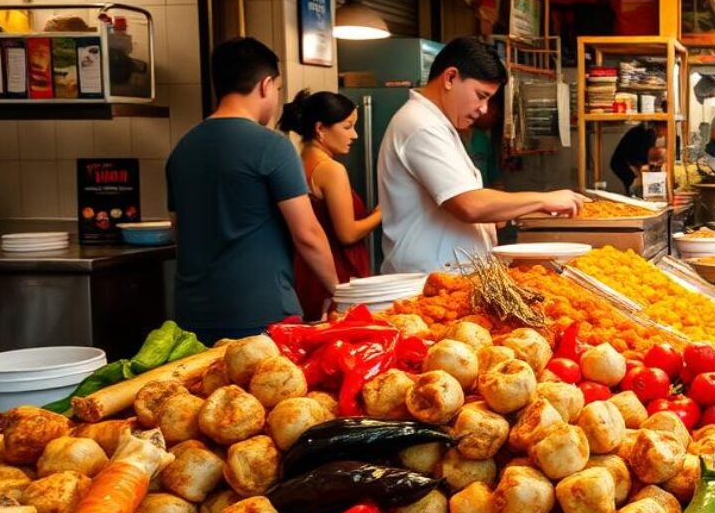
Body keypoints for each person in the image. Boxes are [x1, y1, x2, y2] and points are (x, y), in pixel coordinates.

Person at [166, 37, 337, 343]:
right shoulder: (272, 147)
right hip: (262, 315)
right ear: (265, 85)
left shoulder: (183, 149)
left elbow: (179, 231)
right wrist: (335, 289)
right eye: (278, 89)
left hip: (192, 317)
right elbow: (307, 234)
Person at [379, 36, 587, 274]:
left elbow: (470, 202)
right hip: (432, 279)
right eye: (481, 95)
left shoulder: (438, 124)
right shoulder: (421, 125)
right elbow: (469, 205)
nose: (484, 109)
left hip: (452, 276)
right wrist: (544, 200)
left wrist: (502, 212)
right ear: (450, 78)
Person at [279, 90, 382, 323]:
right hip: (337, 272)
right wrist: (381, 213)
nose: (354, 135)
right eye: (347, 127)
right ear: (320, 129)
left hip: (306, 272)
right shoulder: (331, 170)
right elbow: (347, 233)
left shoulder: (298, 162)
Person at [610, 122, 658, 195]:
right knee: (633, 184)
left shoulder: (646, 131)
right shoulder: (648, 133)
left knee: (635, 184)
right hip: (622, 162)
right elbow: (640, 157)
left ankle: (633, 195)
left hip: (626, 160)